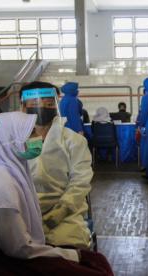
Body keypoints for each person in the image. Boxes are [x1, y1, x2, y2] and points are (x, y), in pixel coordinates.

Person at [0, 112, 113, 275]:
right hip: (2, 260)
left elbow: (80, 182)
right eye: (30, 133)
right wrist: (71, 255)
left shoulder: (6, 170)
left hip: (16, 248)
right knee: (96, 266)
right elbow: (19, 248)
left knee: (97, 261)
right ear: (10, 140)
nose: (36, 138)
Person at [20, 81, 94, 249]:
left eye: (49, 103)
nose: (43, 107)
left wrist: (57, 214)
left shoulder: (74, 141)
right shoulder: (13, 143)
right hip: (22, 213)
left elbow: (80, 183)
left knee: (68, 250)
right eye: (36, 104)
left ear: (56, 105)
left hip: (66, 215)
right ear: (23, 107)